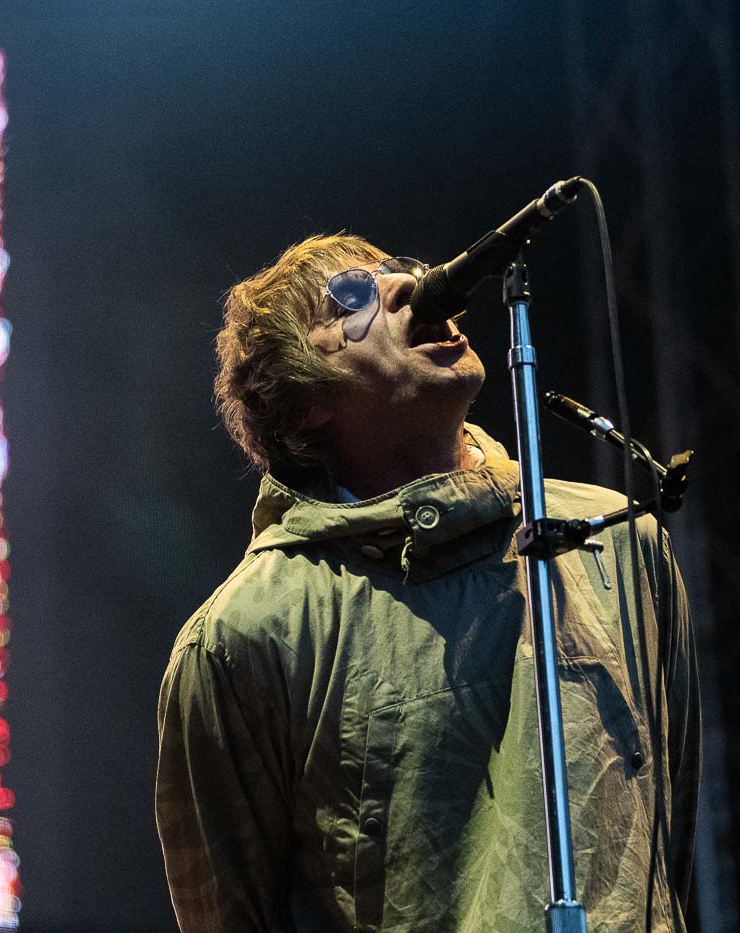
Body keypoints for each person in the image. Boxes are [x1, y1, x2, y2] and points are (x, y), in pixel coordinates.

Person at [154, 234, 700, 932]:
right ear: (304, 403)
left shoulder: (620, 540)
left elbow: (667, 859)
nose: (411, 286)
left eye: (403, 270)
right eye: (351, 298)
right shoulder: (243, 637)